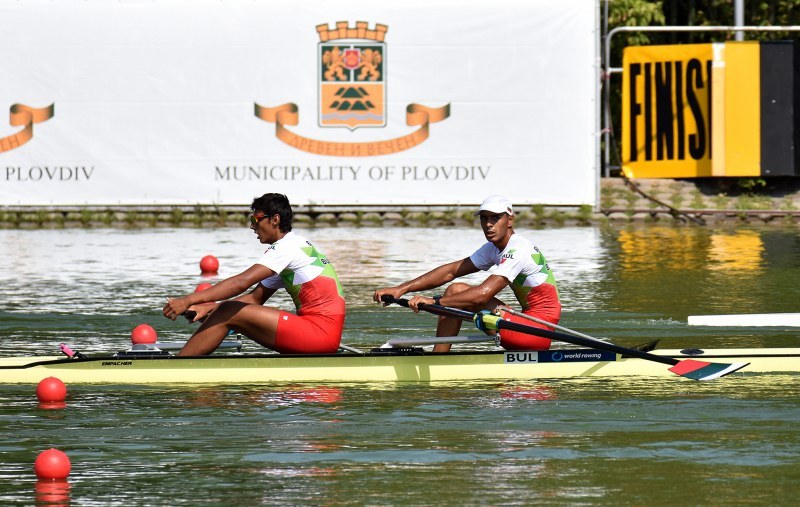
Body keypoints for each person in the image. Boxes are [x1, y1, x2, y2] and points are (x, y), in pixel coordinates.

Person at [163, 193, 346, 356]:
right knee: (227, 309)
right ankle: (185, 362)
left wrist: (189, 300)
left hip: (319, 334)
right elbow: (254, 298)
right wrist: (210, 308)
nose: (252, 226)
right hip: (320, 333)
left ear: (275, 220)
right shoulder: (295, 246)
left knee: (228, 311)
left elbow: (241, 282)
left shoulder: (286, 248)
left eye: (256, 219)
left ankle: (179, 366)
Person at [373, 195, 561, 352]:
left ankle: (438, 362)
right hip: (523, 322)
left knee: (456, 292)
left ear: (510, 220)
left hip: (537, 333)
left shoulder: (519, 250)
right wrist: (401, 288)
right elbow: (450, 272)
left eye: (495, 218)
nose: (488, 224)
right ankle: (439, 359)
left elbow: (482, 295)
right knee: (455, 289)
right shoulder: (492, 249)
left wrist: (434, 302)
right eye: (484, 218)